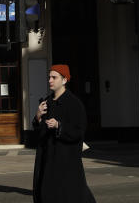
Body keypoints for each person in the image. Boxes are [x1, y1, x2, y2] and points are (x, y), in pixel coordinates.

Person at [32, 64, 95, 203]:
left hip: (65, 160)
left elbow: (78, 131)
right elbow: (38, 129)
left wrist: (59, 125)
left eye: (54, 77)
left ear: (64, 80)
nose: (50, 80)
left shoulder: (74, 103)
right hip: (47, 158)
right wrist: (38, 116)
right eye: (49, 77)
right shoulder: (47, 102)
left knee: (69, 194)